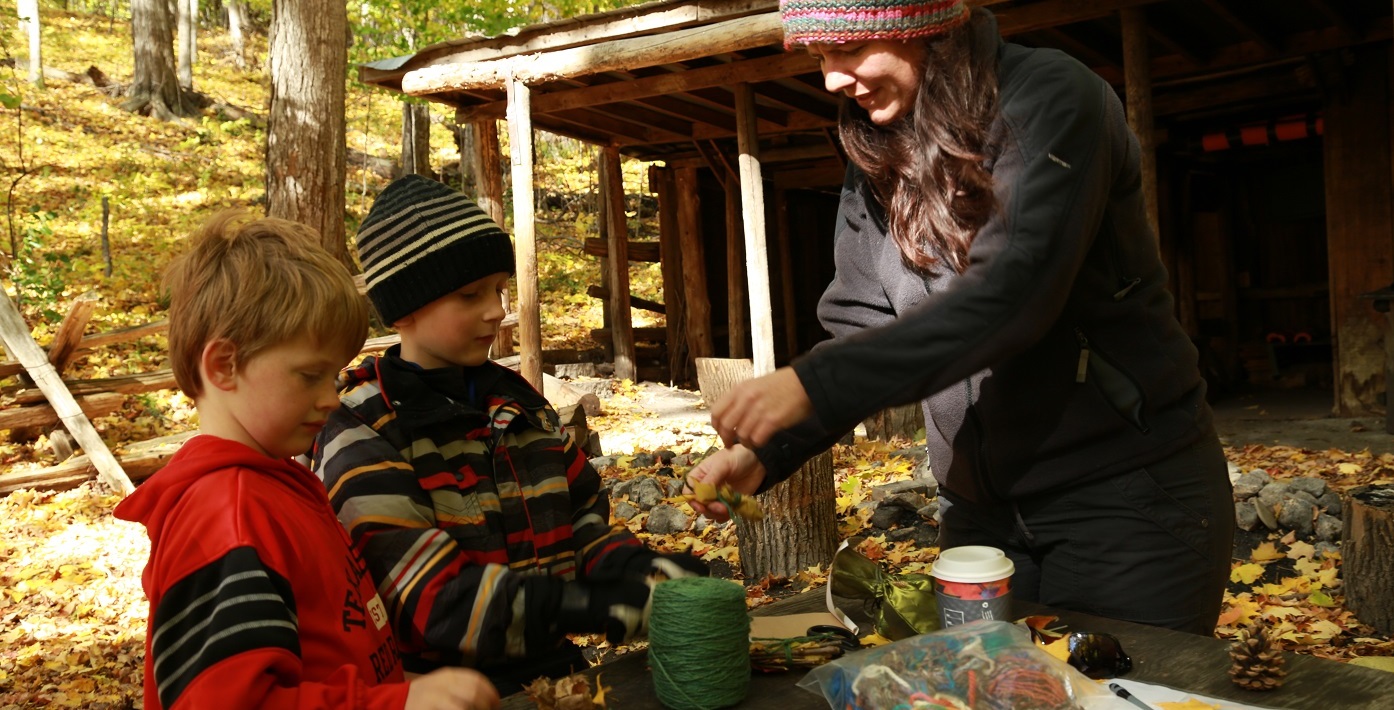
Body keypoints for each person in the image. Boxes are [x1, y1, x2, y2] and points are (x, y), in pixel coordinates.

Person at [688, 1, 1234, 635]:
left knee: (1111, 698)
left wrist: (817, 382)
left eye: (848, 50)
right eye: (819, 58)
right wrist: (767, 450)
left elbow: (1014, 294)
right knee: (983, 694)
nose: (832, 79)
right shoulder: (875, 146)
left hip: (1126, 501)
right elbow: (861, 319)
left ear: (925, 30)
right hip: (978, 515)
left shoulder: (1052, 97)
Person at [311, 175, 707, 692]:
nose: (496, 310)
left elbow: (582, 527)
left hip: (559, 680)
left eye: (498, 288)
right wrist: (592, 607)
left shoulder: (522, 406)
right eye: (469, 294)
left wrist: (637, 568)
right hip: (443, 694)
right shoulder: (364, 427)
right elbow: (432, 601)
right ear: (405, 309)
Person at [114, 212, 500, 710]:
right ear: (223, 366)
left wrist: (406, 688)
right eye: (309, 375)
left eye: (333, 376)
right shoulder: (227, 516)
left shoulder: (280, 485)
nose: (331, 398)